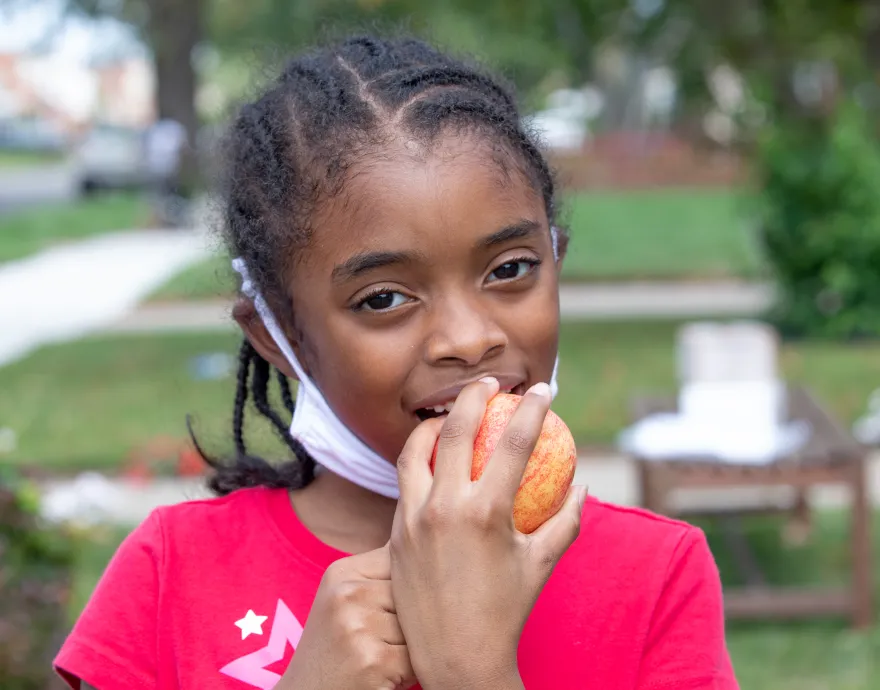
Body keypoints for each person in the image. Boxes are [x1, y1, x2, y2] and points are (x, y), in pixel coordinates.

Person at [54, 35, 739, 690]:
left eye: (511, 268)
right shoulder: (170, 573)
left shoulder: (654, 576)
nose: (468, 340)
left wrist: (472, 673)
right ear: (276, 332)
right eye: (383, 297)